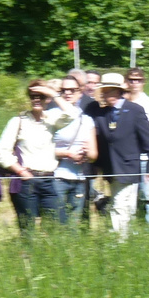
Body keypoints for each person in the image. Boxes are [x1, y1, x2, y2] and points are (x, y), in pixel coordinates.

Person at [0, 79, 77, 231]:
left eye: (41, 96)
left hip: (48, 180)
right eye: (33, 96)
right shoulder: (17, 121)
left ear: (47, 99)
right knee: (28, 230)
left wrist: (53, 93)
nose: (36, 99)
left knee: (59, 227)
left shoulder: (51, 120)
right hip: (26, 182)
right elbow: (1, 152)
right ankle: (28, 255)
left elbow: (72, 114)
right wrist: (21, 171)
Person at [88, 72, 149, 239]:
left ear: (118, 91)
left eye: (109, 91)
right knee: (124, 205)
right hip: (111, 169)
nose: (105, 95)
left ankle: (118, 241)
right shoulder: (102, 114)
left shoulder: (135, 110)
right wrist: (97, 166)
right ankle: (126, 239)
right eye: (103, 91)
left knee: (120, 204)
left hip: (129, 167)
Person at [52, 76, 98, 223]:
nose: (68, 93)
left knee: (74, 226)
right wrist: (67, 153)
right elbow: (41, 150)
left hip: (79, 179)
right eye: (64, 90)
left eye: (72, 90)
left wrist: (86, 154)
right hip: (56, 177)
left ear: (80, 93)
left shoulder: (87, 120)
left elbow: (94, 154)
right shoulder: (51, 116)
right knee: (57, 222)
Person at [125, 68, 149, 224]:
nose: (134, 83)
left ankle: (147, 230)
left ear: (143, 82)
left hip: (144, 157)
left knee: (145, 196)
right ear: (126, 82)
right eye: (131, 80)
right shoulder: (121, 102)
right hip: (125, 157)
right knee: (126, 198)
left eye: (138, 80)